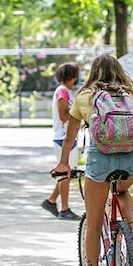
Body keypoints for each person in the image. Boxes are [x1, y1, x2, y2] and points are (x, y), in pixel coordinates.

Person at [51, 54, 133, 266]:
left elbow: (70, 136)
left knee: (93, 224)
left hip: (101, 160)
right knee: (121, 191)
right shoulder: (131, 93)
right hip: (131, 160)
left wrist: (64, 163)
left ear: (93, 72)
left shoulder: (85, 96)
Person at [41, 62, 81, 220]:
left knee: (67, 174)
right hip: (64, 137)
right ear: (72, 76)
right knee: (65, 174)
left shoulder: (66, 91)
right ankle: (64, 209)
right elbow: (64, 115)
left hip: (68, 137)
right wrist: (79, 115)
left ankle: (51, 201)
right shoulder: (62, 91)